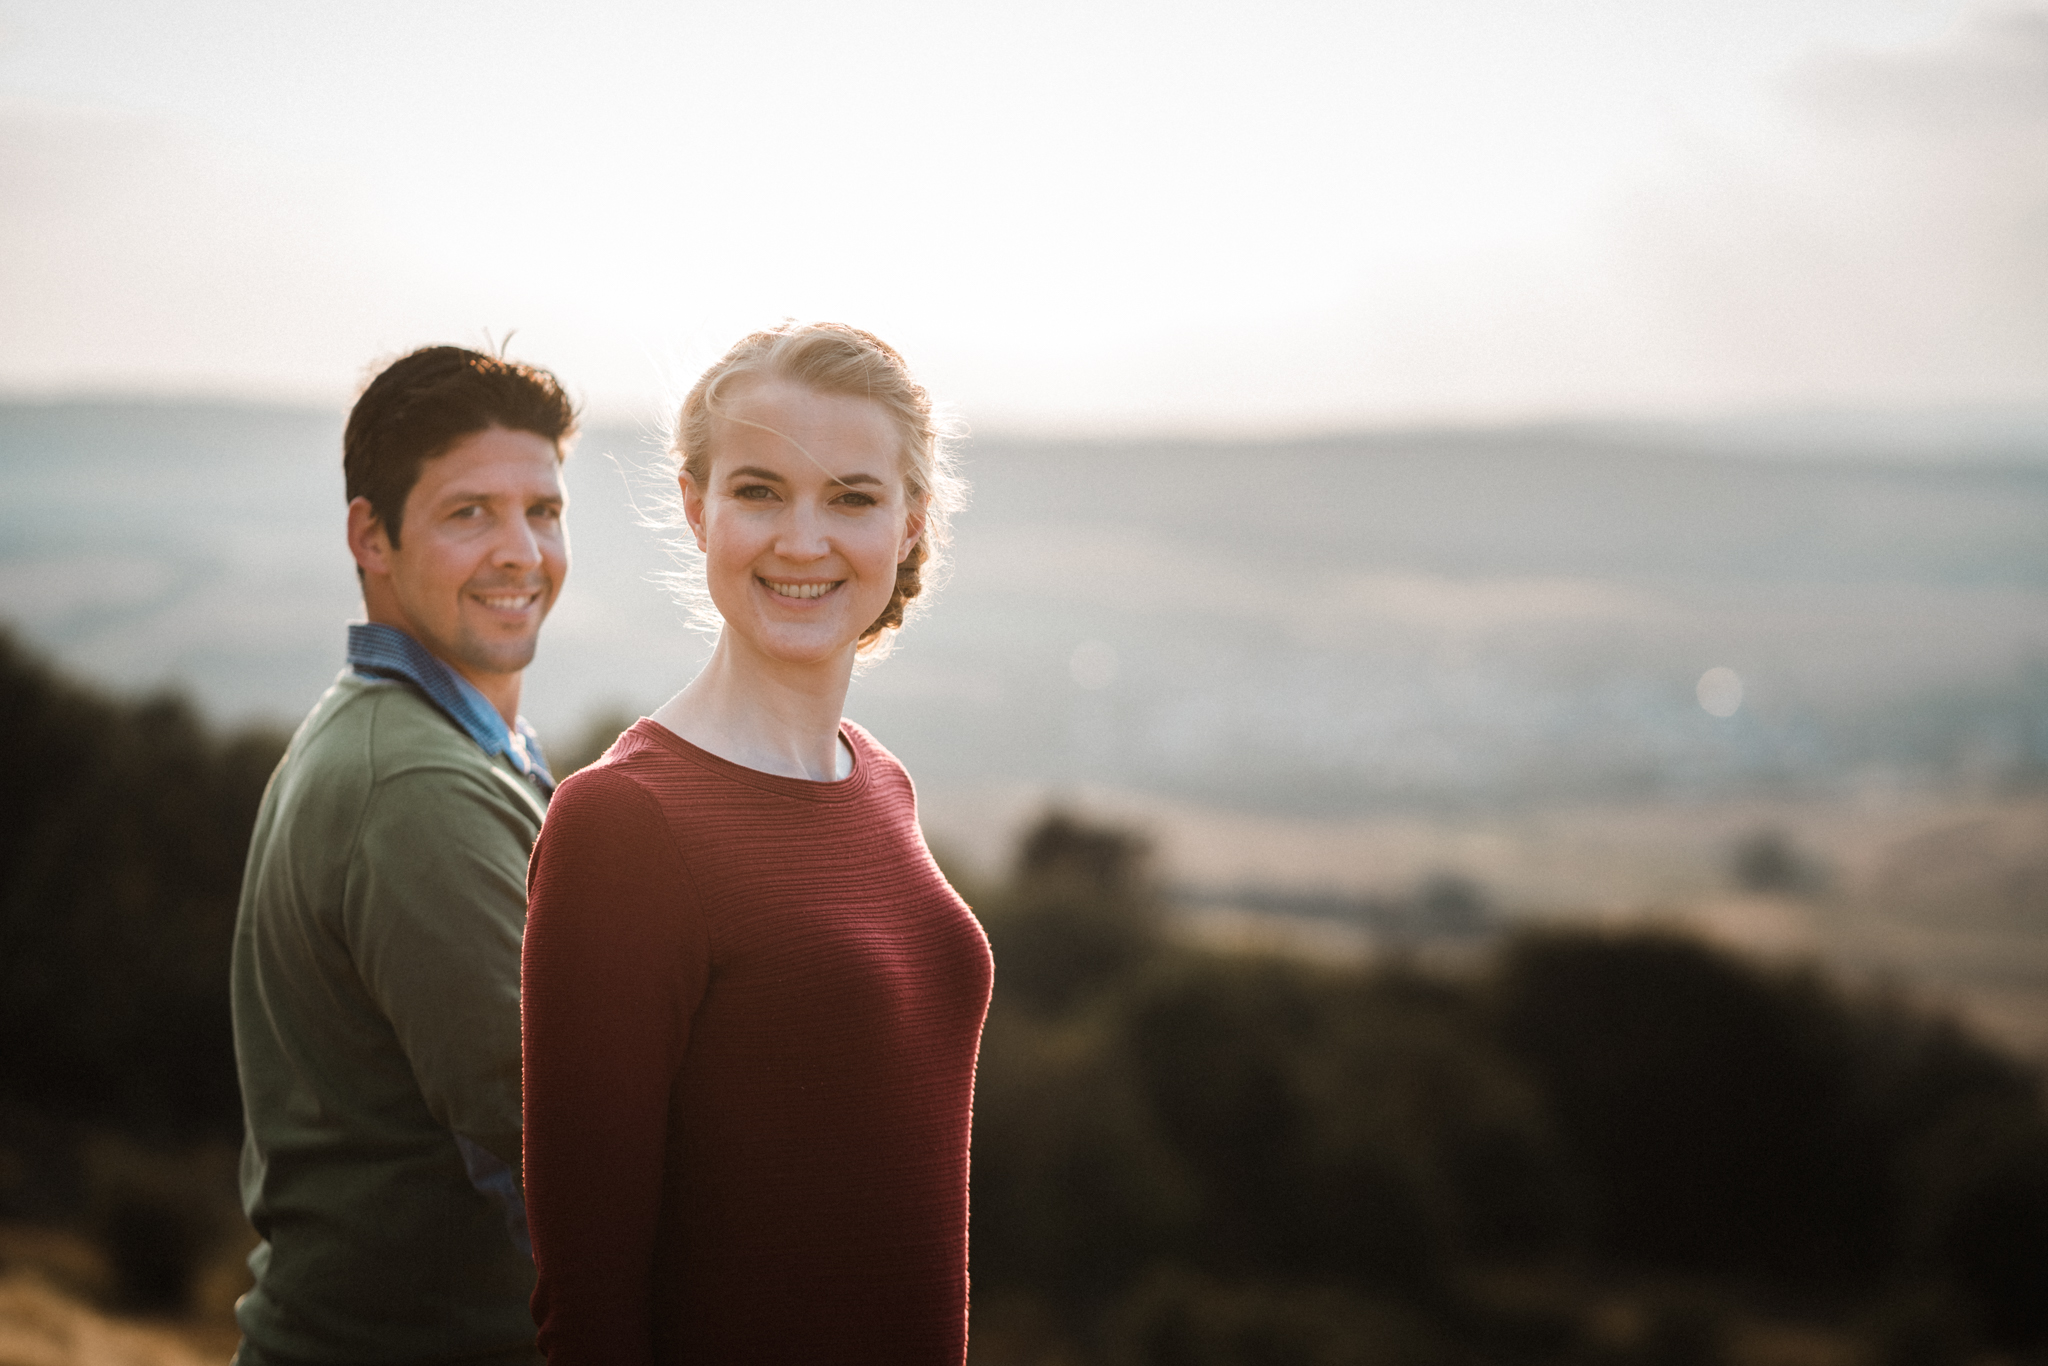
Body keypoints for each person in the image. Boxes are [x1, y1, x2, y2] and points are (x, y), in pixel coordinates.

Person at [521, 322, 993, 1365]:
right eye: (760, 490)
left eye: (853, 497)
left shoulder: (876, 780)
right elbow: (587, 1308)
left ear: (911, 521)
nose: (802, 538)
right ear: (697, 509)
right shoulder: (624, 825)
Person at [230, 345, 575, 1366]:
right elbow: (559, 1152)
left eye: (543, 511)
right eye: (470, 512)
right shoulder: (413, 787)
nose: (521, 551)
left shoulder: (439, 741)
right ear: (370, 536)